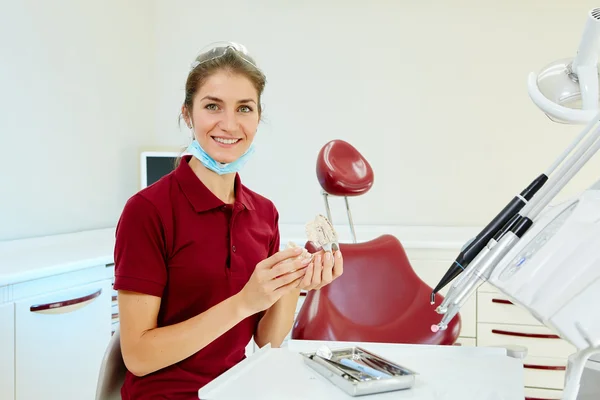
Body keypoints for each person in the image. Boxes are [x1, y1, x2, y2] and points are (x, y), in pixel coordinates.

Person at [112, 42, 344, 399]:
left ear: (257, 116)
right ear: (187, 114)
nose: (230, 124)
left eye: (244, 108)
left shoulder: (264, 213)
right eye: (212, 106)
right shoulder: (147, 210)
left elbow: (267, 340)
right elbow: (139, 357)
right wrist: (244, 302)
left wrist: (292, 285)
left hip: (235, 389)